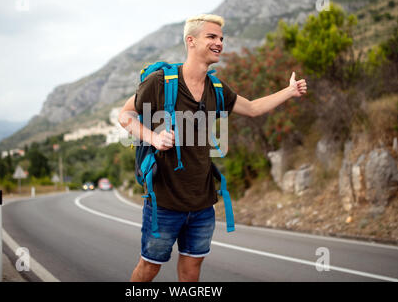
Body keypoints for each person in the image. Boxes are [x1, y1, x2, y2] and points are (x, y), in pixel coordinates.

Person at [118, 14, 307, 282]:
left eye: (221, 38)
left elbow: (252, 108)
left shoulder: (216, 87)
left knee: (192, 270)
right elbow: (125, 115)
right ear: (191, 41)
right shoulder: (161, 82)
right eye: (212, 37)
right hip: (164, 202)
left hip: (203, 203)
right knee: (149, 268)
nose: (219, 43)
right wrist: (153, 138)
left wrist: (289, 92)